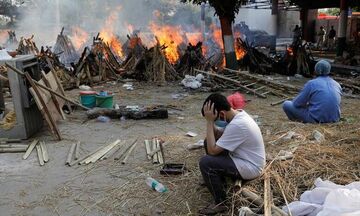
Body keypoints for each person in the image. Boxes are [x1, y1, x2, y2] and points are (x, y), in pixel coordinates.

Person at [199, 93, 265, 215]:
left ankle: (221, 203)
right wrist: (211, 121)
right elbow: (218, 135)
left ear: (222, 114)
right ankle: (217, 181)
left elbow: (213, 151)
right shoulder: (237, 115)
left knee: (206, 162)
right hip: (242, 158)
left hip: (251, 167)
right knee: (207, 141)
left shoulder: (238, 124)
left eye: (216, 118)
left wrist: (209, 122)